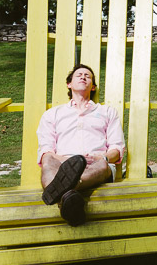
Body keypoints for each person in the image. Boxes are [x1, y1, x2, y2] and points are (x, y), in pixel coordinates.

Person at [36, 63, 125, 226]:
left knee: (103, 165)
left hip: (95, 163)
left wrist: (102, 157)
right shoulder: (53, 114)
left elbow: (117, 149)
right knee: (48, 161)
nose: (83, 77)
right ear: (69, 84)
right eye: (79, 75)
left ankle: (59, 193)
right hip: (62, 164)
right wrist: (64, 160)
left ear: (93, 87)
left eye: (88, 76)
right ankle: (69, 197)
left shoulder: (107, 112)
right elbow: (46, 150)